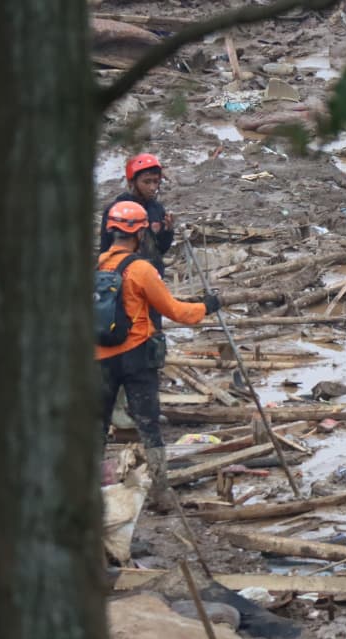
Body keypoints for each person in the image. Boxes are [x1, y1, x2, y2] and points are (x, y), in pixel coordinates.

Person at [97, 201, 218, 511]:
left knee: (97, 426)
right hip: (136, 356)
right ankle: (161, 492)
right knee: (148, 424)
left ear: (111, 231)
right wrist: (206, 307)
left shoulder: (97, 267)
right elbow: (175, 311)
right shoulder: (141, 270)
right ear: (139, 233)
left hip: (100, 358)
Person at [100, 153, 175, 277]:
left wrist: (167, 232)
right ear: (132, 182)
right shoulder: (116, 211)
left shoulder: (156, 209)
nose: (152, 187)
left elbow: (159, 250)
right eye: (146, 182)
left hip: (152, 275)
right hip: (125, 276)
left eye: (156, 182)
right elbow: (106, 249)